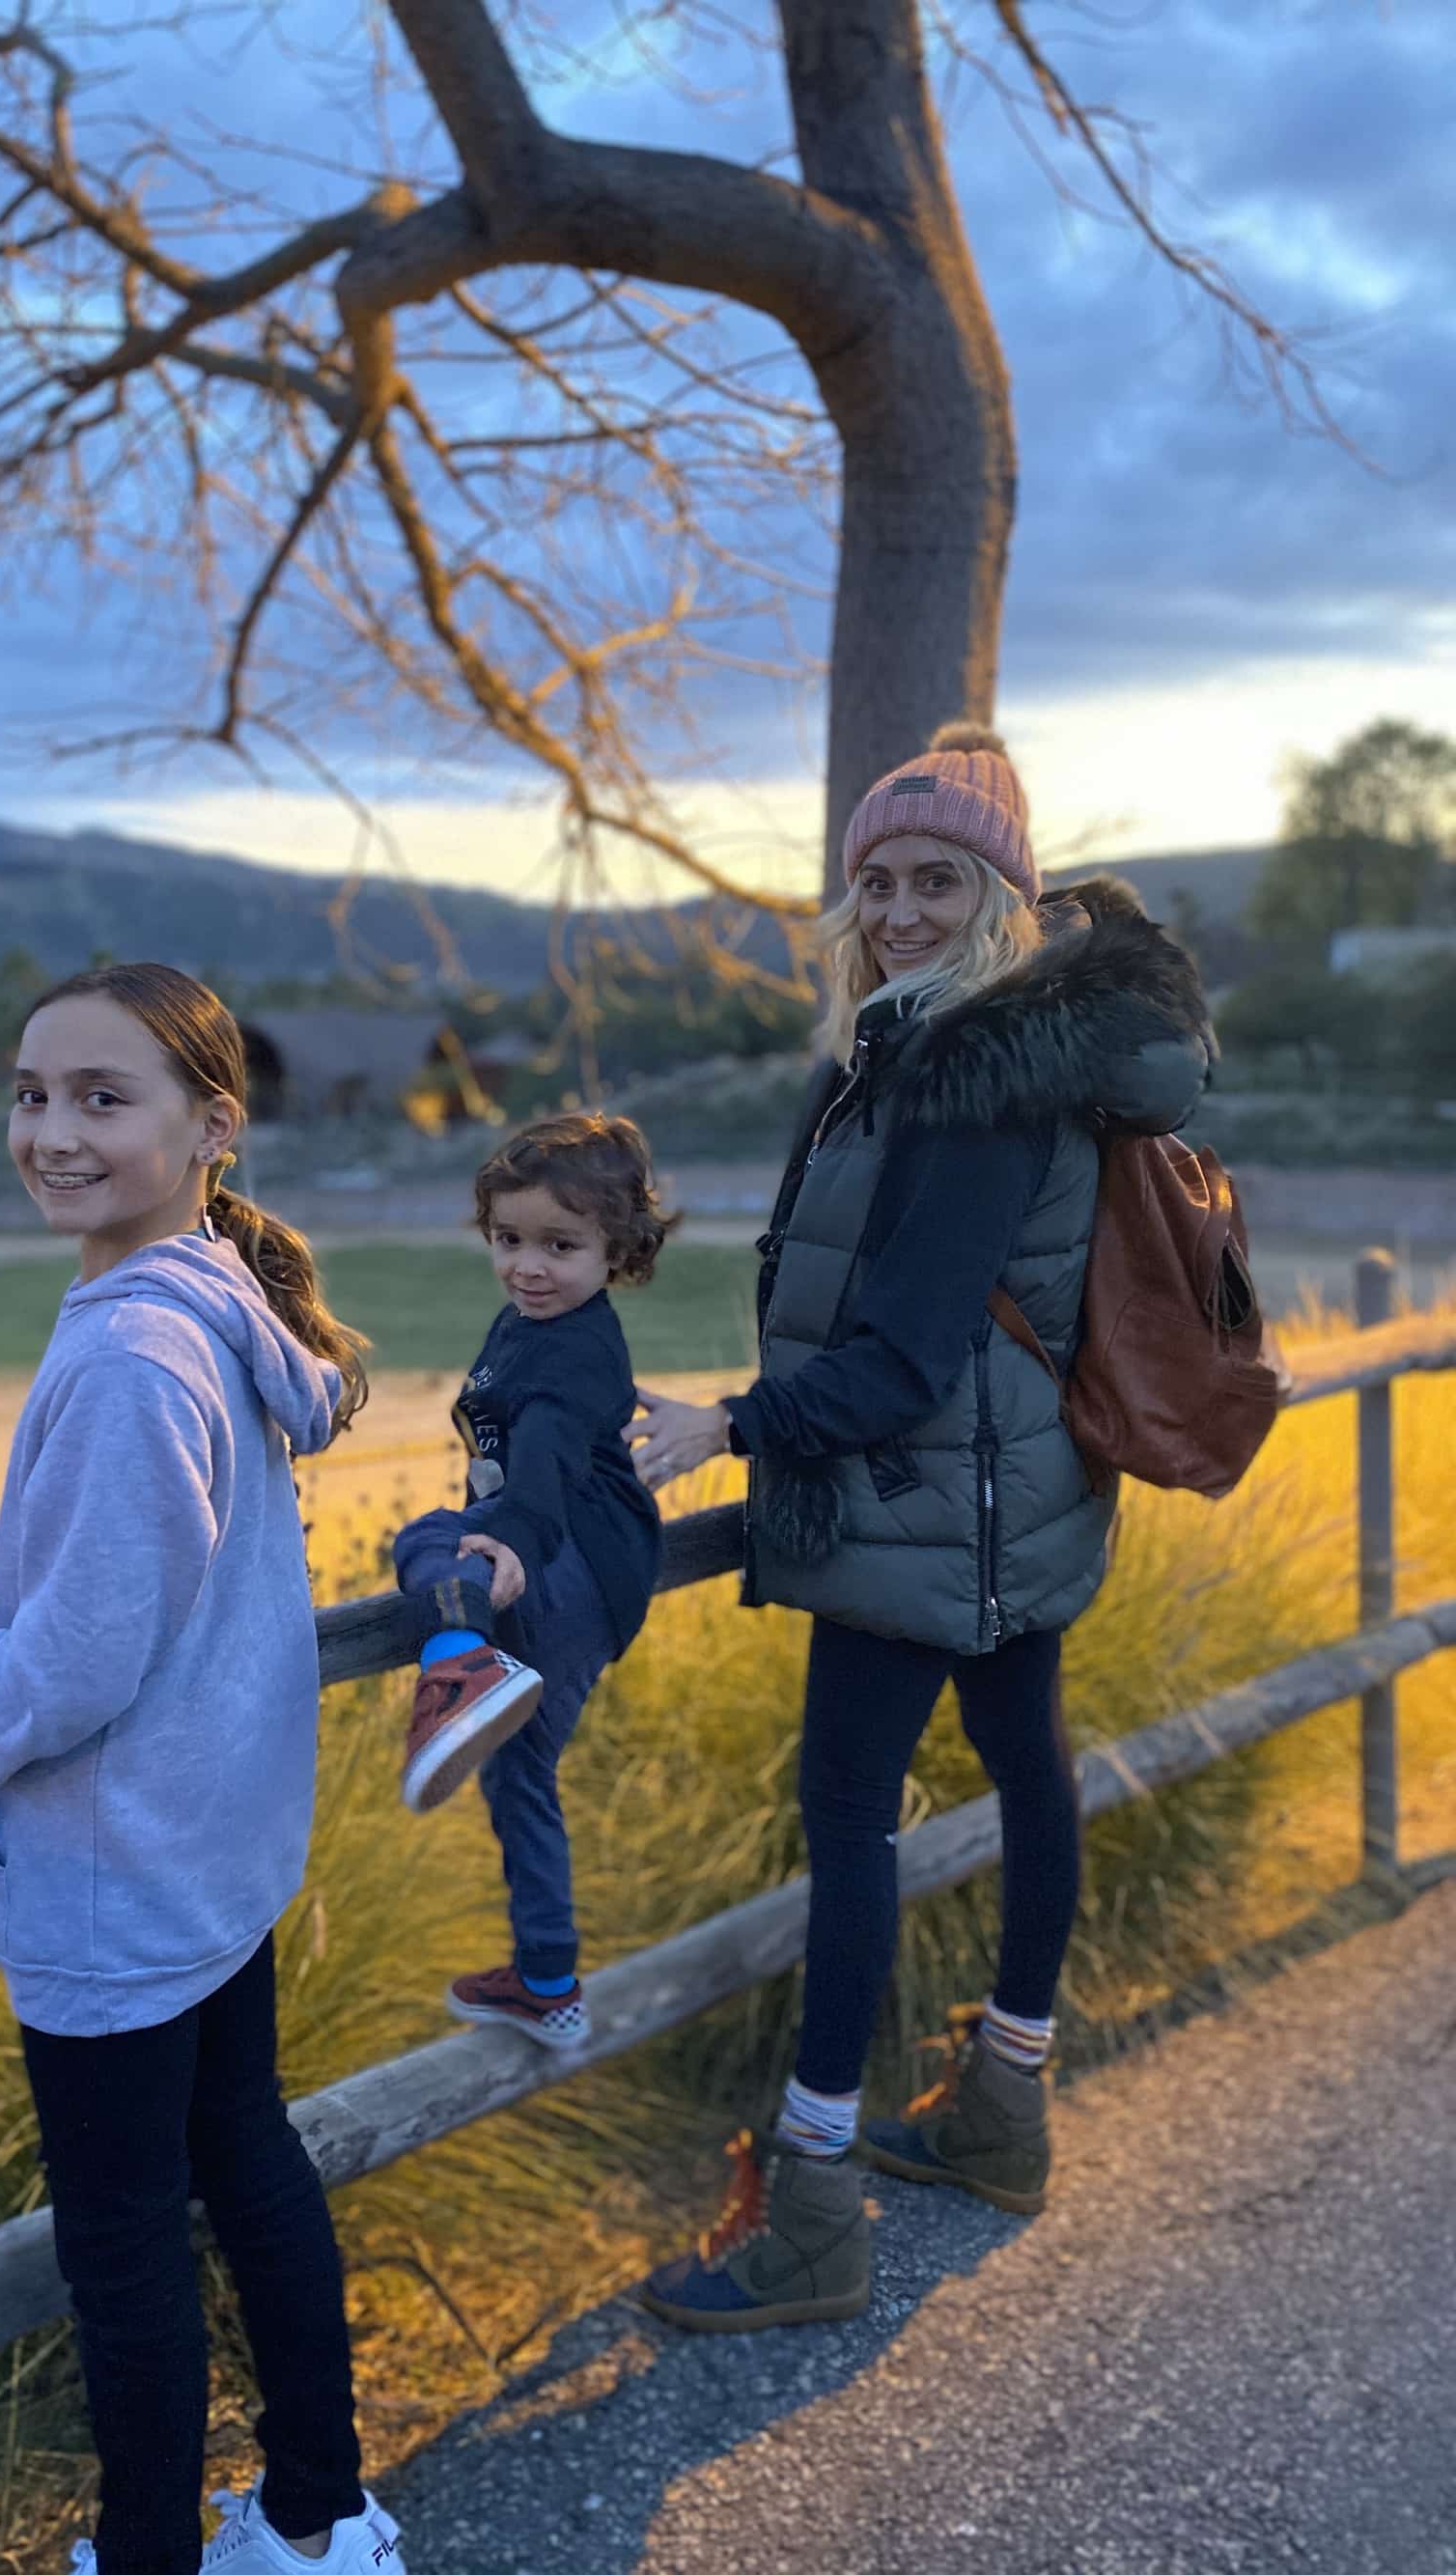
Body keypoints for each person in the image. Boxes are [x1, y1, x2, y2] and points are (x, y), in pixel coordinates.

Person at [0, 963, 406, 2575]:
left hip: (121, 1887)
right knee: (247, 2155)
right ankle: (320, 2518)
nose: (50, 1130)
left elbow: (69, 1669)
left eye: (101, 1098)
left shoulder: (133, 1358)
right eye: (31, 1092)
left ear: (212, 1127)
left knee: (123, 2252)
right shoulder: (215, 1302)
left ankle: (147, 2557)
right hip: (214, 1857)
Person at [627, 724, 1212, 2332]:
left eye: (935, 877)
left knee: (849, 1822)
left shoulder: (969, 1076)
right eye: (874, 878)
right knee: (1030, 1759)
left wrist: (731, 1426)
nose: (894, 905)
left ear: (1003, 897)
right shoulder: (921, 1050)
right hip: (1014, 1495)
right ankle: (1004, 2109)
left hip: (919, 1508)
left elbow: (893, 1357)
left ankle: (813, 2212)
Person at [391, 1114, 670, 2050]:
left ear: (617, 1249)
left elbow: (545, 1455)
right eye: (508, 1241)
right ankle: (547, 1979)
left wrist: (505, 1537)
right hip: (582, 1568)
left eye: (560, 1245)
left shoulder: (567, 1349)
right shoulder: (534, 1322)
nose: (527, 1266)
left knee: (429, 1538)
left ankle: (456, 1661)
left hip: (561, 1563)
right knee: (520, 1777)